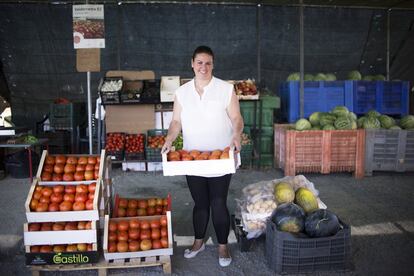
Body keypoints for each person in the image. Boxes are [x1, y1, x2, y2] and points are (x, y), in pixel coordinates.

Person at [161, 45, 244, 267]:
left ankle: (223, 246)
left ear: (213, 65)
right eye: (199, 63)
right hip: (193, 158)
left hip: (220, 157)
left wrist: (236, 135)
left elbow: (237, 118)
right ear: (192, 64)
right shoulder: (182, 92)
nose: (203, 67)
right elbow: (176, 121)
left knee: (218, 202)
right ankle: (198, 242)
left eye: (208, 63)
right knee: (200, 203)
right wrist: (169, 139)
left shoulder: (226, 89)